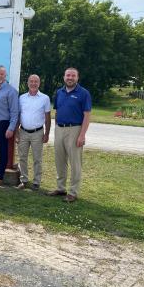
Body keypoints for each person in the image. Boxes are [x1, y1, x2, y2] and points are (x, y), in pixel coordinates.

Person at [49, 67, 91, 202]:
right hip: (59, 129)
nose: (70, 78)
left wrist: (82, 135)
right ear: (64, 77)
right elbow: (57, 111)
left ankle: (73, 192)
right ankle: (61, 188)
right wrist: (56, 127)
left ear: (77, 78)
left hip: (75, 130)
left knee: (75, 162)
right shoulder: (59, 92)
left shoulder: (84, 93)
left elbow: (87, 115)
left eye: (73, 76)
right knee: (59, 160)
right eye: (68, 75)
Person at [15, 74, 51, 190]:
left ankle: (36, 182)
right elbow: (19, 115)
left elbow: (47, 117)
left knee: (37, 159)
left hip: (38, 133)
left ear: (39, 83)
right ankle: (24, 180)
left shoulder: (45, 98)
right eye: (31, 81)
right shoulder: (22, 98)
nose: (33, 83)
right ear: (28, 83)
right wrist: (16, 132)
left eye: (36, 81)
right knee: (22, 157)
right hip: (23, 131)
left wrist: (47, 134)